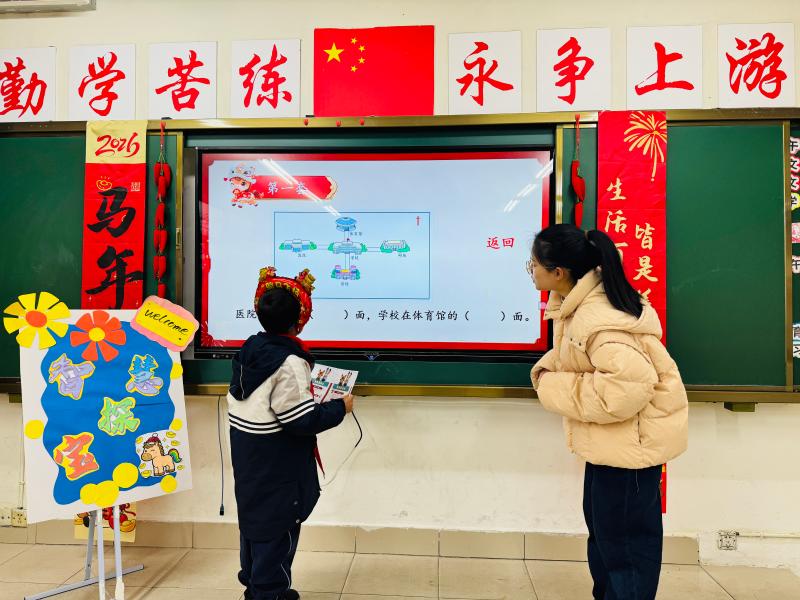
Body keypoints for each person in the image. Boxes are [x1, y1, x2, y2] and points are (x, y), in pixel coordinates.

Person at [528, 224, 688, 600]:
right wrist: (550, 370)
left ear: (558, 272)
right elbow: (585, 362)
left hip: (628, 453)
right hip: (615, 447)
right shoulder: (585, 306)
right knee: (607, 542)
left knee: (624, 550)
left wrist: (550, 385)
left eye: (533, 264)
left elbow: (625, 389)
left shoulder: (596, 318)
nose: (531, 272)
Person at [228, 266, 354, 600]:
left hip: (251, 460)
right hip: (278, 466)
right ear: (299, 320)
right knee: (278, 532)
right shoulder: (289, 362)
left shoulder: (250, 349)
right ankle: (268, 593)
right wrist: (340, 407)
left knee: (256, 526)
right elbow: (300, 420)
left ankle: (256, 587)